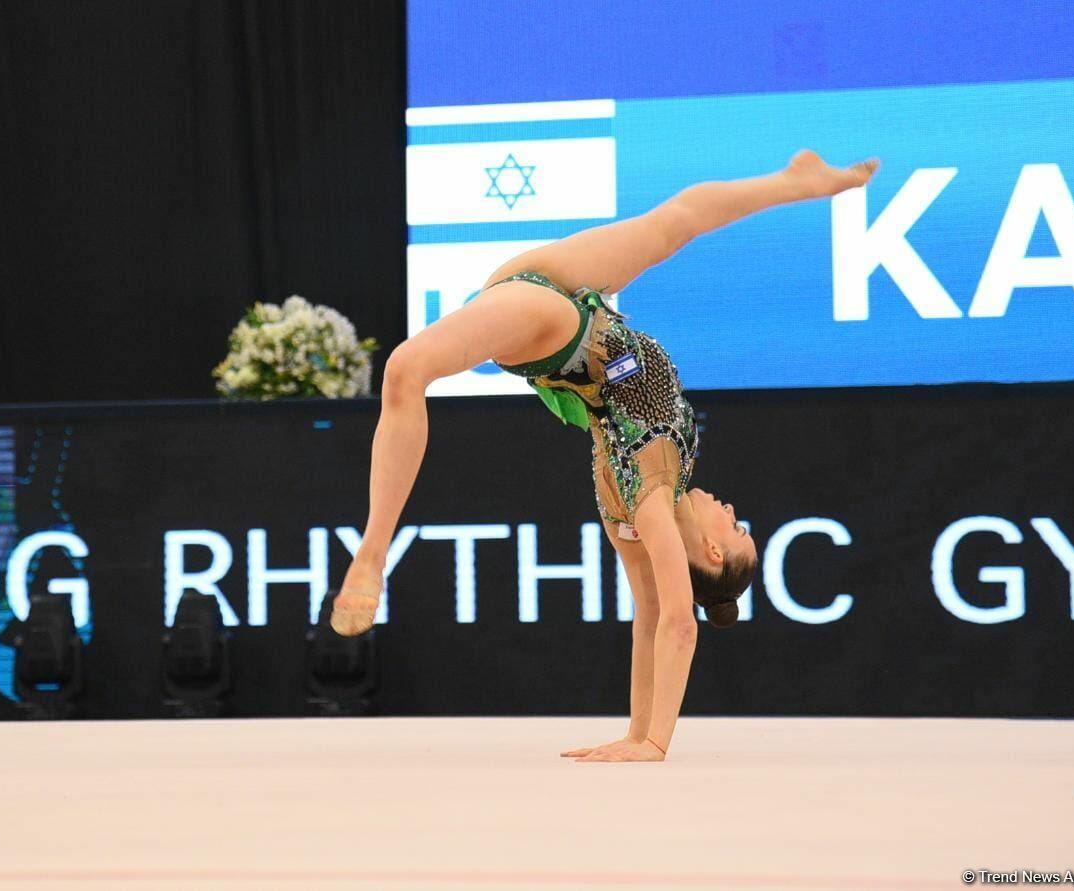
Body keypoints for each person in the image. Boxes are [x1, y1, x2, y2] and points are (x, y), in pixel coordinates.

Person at [331, 149, 880, 761]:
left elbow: (675, 623)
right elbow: (650, 618)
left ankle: (371, 555)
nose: (732, 510)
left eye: (737, 528)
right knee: (675, 223)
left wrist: (656, 742)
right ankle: (795, 182)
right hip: (577, 298)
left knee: (406, 370)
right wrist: (637, 735)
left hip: (555, 331)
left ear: (713, 550)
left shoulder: (648, 506)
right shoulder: (655, 496)